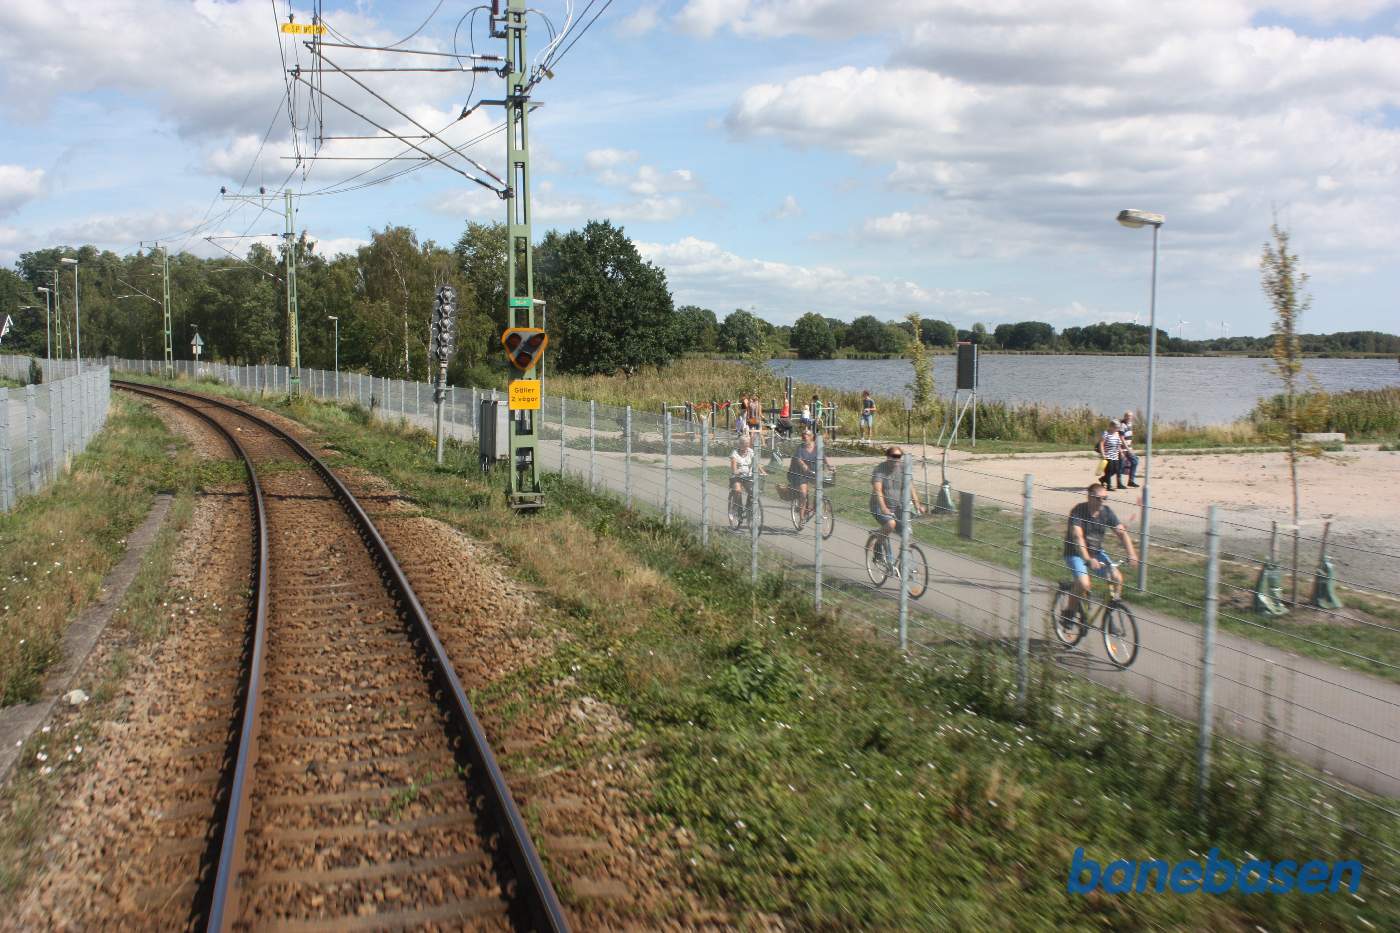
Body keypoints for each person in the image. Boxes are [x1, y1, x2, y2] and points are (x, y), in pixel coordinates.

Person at [1062, 483, 1138, 619]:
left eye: (1105, 498)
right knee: (1084, 584)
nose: (1102, 501)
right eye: (1099, 498)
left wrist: (1131, 554)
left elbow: (1121, 533)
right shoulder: (1078, 511)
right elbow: (1078, 537)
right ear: (1089, 497)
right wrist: (1087, 559)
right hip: (1075, 553)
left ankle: (1111, 611)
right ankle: (1069, 614)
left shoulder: (1106, 512)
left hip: (1096, 552)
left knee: (1117, 578)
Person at [870, 446, 924, 562]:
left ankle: (904, 566)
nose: (896, 459)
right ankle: (878, 545)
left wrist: (917, 505)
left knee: (907, 533)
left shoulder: (904, 468)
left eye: (899, 457)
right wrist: (884, 508)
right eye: (894, 456)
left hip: (897, 508)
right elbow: (878, 490)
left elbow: (910, 486)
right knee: (890, 524)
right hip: (879, 507)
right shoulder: (880, 469)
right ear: (888, 457)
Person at [787, 428, 830, 524]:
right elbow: (799, 460)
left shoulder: (817, 447)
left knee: (819, 489)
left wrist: (829, 466)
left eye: (807, 435)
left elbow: (823, 457)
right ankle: (802, 518)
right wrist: (805, 467)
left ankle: (815, 507)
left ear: (812, 437)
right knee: (803, 494)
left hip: (813, 472)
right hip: (800, 473)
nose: (805, 437)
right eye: (803, 435)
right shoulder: (800, 448)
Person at [730, 434, 765, 498]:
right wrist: (735, 471)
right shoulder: (734, 453)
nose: (746, 447)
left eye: (747, 444)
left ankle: (749, 506)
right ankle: (737, 507)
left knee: (753, 492)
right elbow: (733, 466)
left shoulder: (750, 451)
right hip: (737, 477)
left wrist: (762, 471)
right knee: (738, 491)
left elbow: (756, 463)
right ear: (740, 444)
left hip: (748, 476)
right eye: (744, 445)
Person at [1098, 418, 1126, 490]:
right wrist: (1103, 454)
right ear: (1111, 426)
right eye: (1116, 427)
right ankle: (1109, 486)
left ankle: (1103, 479)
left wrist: (1121, 452)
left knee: (1115, 470)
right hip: (1108, 455)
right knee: (1109, 470)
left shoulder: (1116, 434)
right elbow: (1101, 444)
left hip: (1115, 455)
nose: (1117, 429)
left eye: (1118, 428)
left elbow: (1118, 444)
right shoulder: (1106, 433)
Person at [1119, 411, 1140, 487]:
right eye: (1127, 416)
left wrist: (1130, 447)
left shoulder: (1130, 424)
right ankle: (1118, 483)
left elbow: (1129, 437)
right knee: (1120, 465)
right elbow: (1121, 438)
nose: (1129, 417)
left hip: (1129, 448)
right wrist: (1127, 448)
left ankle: (1131, 481)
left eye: (1130, 416)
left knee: (1135, 461)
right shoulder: (1122, 425)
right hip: (1123, 449)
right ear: (1124, 417)